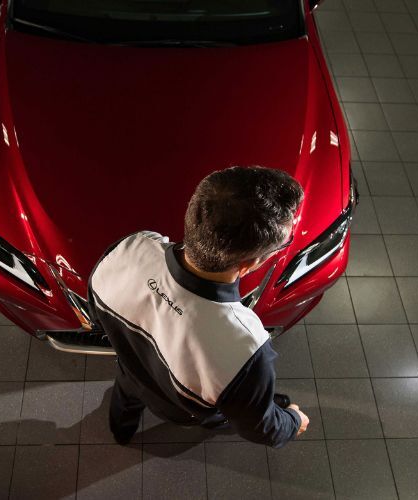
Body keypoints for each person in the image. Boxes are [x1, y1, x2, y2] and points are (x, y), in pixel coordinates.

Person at [88, 165, 309, 447]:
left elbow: (96, 315)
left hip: (130, 375)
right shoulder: (245, 347)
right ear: (249, 264)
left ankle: (121, 433)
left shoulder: (131, 247)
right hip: (182, 410)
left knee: (125, 402)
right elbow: (260, 427)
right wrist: (292, 421)